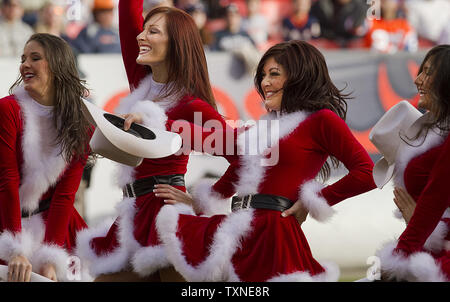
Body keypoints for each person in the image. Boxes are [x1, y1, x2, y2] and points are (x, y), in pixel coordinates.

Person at [151, 40, 377, 282]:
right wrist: (150, 120)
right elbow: (222, 151)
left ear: (300, 77)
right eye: (262, 75)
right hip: (237, 230)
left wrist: (312, 201)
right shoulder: (262, 128)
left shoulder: (321, 120)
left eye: (274, 74)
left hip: (274, 235)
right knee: (161, 243)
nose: (265, 82)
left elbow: (368, 172)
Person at [75, 3, 233, 282]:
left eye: (153, 31)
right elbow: (128, 17)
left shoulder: (192, 104)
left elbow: (240, 155)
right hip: (133, 212)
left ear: (175, 44)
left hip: (166, 215)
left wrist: (199, 200)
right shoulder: (142, 82)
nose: (140, 37)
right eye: (144, 29)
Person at [0, 33, 92, 282]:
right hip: (7, 223)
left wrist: (51, 257)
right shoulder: (8, 109)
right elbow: (7, 180)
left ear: (57, 66)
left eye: (35, 58)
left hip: (57, 225)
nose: (25, 64)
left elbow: (64, 196)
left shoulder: (83, 122)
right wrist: (15, 250)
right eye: (23, 59)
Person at [374, 44, 450, 282]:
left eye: (427, 72)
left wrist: (400, 254)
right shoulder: (435, 129)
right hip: (427, 248)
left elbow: (435, 198)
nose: (417, 80)